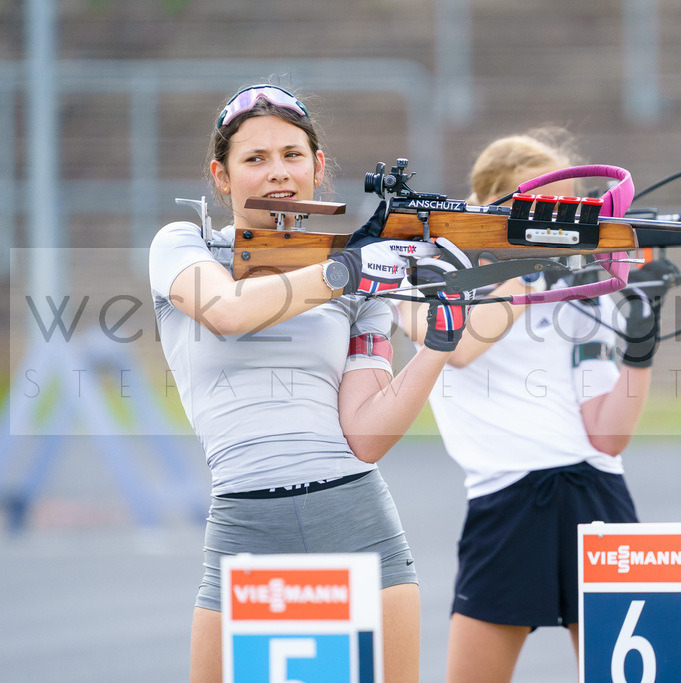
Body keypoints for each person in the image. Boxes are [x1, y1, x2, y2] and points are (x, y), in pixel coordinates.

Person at [148, 83, 469, 683]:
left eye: (292, 155)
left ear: (318, 167)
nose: (278, 173)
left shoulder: (358, 277)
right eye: (255, 159)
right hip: (243, 527)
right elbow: (229, 310)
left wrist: (439, 345)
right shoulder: (184, 246)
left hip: (357, 519)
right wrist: (346, 271)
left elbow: (366, 437)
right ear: (221, 176)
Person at [398, 128, 678, 682]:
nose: (559, 223)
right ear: (491, 209)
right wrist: (522, 267)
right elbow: (456, 346)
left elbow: (607, 434)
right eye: (541, 209)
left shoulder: (579, 289)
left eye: (565, 208)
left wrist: (641, 341)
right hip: (506, 502)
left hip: (595, 491)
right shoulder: (437, 273)